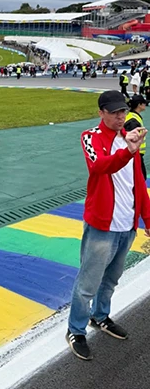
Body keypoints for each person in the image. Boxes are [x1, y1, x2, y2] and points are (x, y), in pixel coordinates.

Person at [66, 90, 150, 361]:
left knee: (111, 279)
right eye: (113, 112)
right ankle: (75, 330)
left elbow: (138, 183)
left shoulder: (129, 138)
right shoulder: (90, 137)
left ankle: (100, 316)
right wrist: (128, 151)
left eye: (123, 111)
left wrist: (147, 218)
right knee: (87, 283)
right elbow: (99, 167)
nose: (120, 116)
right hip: (102, 225)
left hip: (127, 224)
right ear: (101, 112)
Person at [124, 94, 147, 179]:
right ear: (139, 105)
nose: (145, 104)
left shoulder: (132, 116)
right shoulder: (133, 121)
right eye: (143, 103)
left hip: (135, 154)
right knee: (140, 178)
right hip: (135, 155)